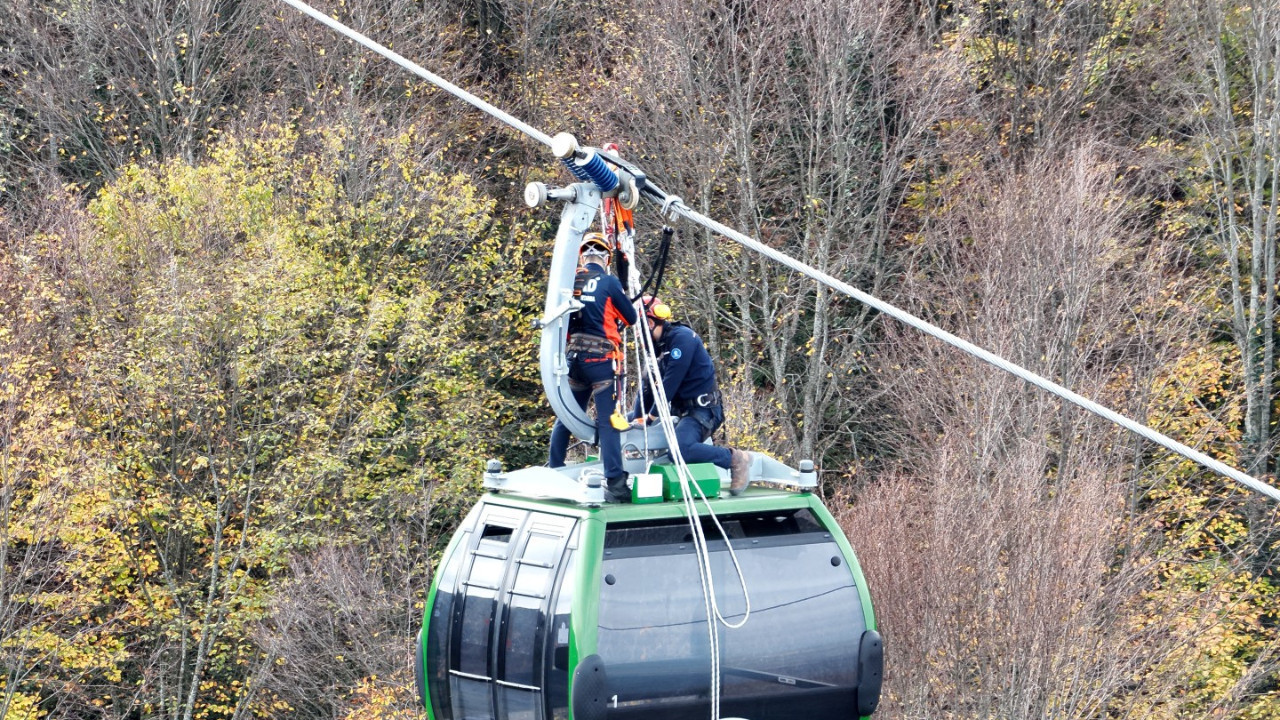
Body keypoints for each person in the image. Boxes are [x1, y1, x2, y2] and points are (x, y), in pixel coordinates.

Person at [548, 233, 639, 503]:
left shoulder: (569, 281)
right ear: (606, 258)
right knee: (608, 421)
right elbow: (631, 318)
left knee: (568, 414)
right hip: (600, 362)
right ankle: (616, 480)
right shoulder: (609, 282)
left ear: (582, 257)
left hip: (573, 359)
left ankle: (555, 467)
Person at [632, 296, 752, 494]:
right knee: (628, 423)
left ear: (651, 323)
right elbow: (647, 388)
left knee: (680, 450)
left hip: (703, 410)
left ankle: (734, 458)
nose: (637, 333)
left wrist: (651, 417)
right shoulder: (656, 349)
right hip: (680, 411)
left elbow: (670, 383)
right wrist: (636, 421)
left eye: (638, 327)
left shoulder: (682, 339)